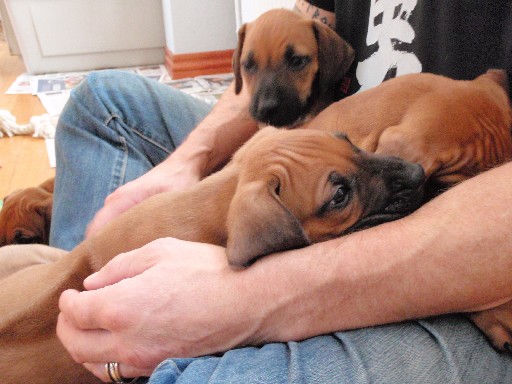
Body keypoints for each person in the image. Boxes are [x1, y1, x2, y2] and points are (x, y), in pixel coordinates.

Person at [52, 0, 512, 382]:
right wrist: (187, 163)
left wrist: (248, 300)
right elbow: (273, 50)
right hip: (319, 151)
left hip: (455, 250)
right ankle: (83, 310)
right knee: (103, 104)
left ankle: (105, 344)